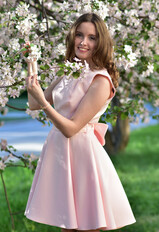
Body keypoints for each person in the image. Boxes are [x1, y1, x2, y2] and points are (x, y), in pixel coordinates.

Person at [24, 13, 136, 231]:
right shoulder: (69, 69)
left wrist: (45, 105)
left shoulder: (101, 80)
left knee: (87, 225)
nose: (84, 42)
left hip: (82, 156)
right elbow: (33, 102)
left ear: (100, 42)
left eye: (92, 37)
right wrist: (32, 65)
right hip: (60, 154)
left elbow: (71, 128)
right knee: (68, 226)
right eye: (79, 35)